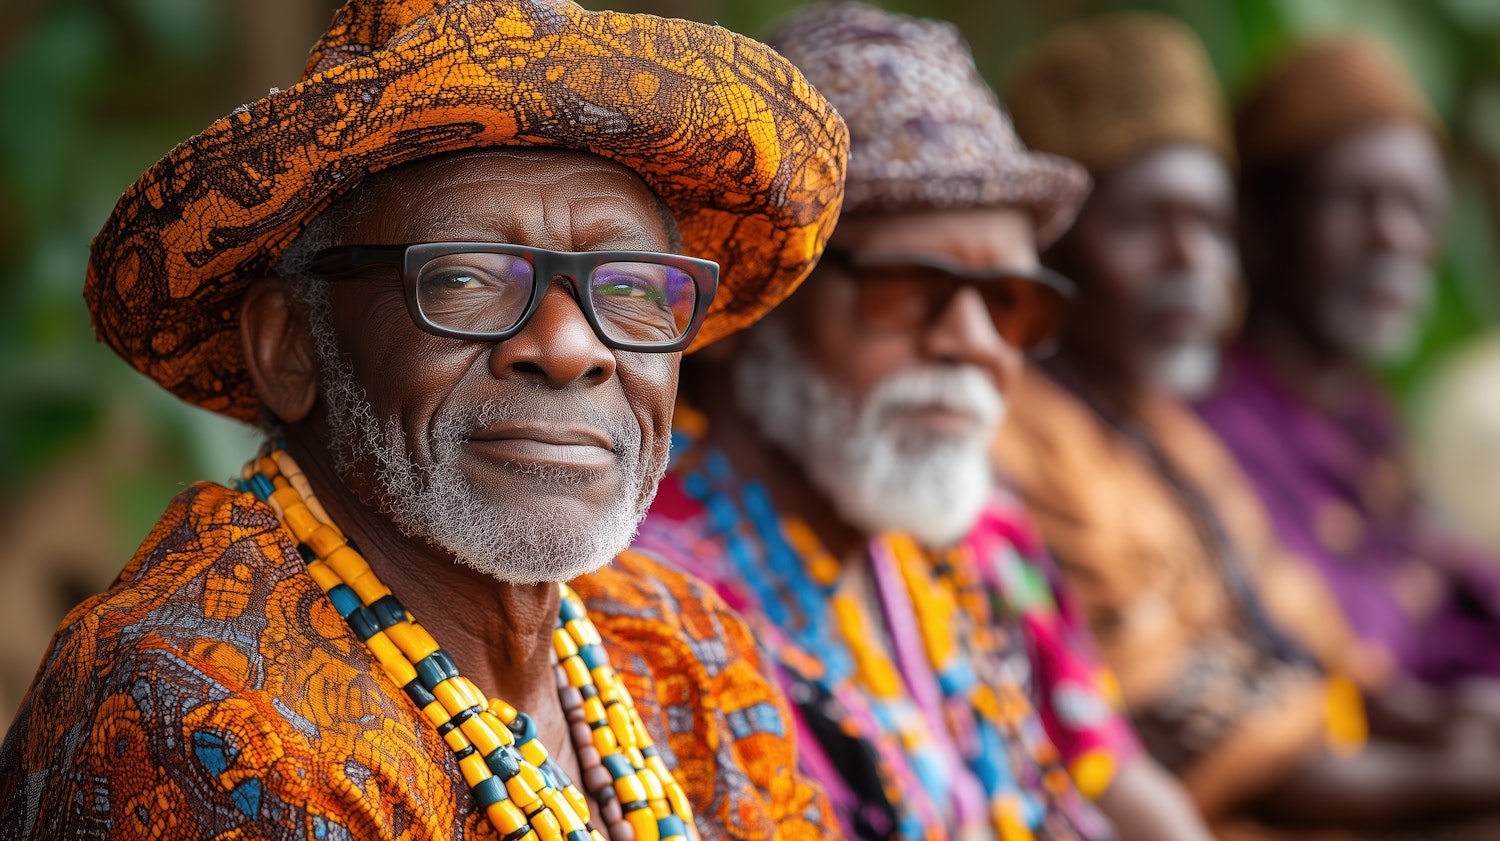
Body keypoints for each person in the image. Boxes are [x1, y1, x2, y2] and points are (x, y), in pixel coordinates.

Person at [0, 0, 852, 837]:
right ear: (291, 345)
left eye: (626, 287)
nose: (566, 347)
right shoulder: (206, 712)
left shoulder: (676, 641)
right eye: (467, 277)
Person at [633, 5, 1212, 841]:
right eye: (908, 287)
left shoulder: (989, 539)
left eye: (1009, 301)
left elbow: (1126, 785)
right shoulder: (653, 601)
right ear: (749, 307)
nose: (973, 343)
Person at [998, 15, 1500, 838]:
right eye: (1143, 222)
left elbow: (1313, 654)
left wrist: (1451, 724)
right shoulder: (1026, 442)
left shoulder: (1163, 427)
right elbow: (1217, 739)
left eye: (1206, 224)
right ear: (1053, 247)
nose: (1190, 261)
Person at [1194, 35, 1500, 689]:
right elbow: (1345, 655)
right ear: (1257, 221)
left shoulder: (1365, 418)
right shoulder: (1205, 423)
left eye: (1417, 206)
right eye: (1349, 199)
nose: (1393, 235)